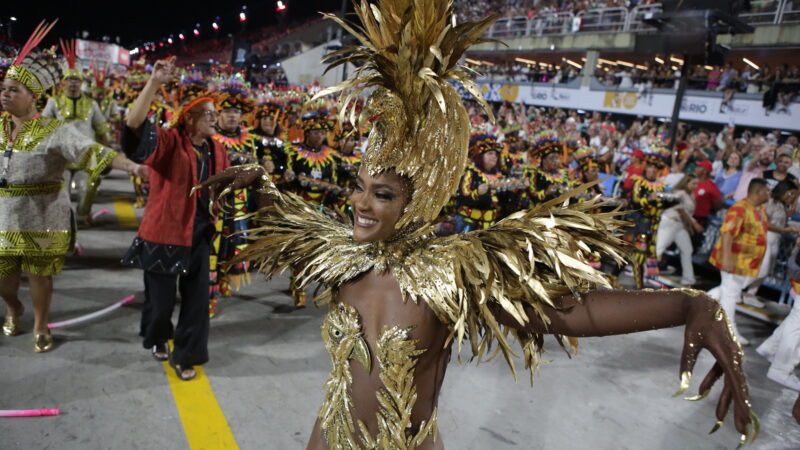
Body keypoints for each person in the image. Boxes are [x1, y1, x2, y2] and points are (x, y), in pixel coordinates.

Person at [197, 3, 756, 447]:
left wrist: (686, 305)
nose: (361, 203)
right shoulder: (342, 253)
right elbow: (292, 220)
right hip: (328, 438)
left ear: (418, 204)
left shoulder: (453, 273)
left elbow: (570, 313)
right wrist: (258, 182)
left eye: (383, 194)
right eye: (360, 186)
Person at [0, 22, 146, 352]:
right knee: (4, 278)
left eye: (14, 90)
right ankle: (13, 306)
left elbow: (92, 150)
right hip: (4, 213)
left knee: (39, 274)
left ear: (33, 97)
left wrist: (132, 166)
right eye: (3, 88)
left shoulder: (55, 130)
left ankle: (40, 324)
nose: (5, 94)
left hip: (43, 213)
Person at [120, 59, 229, 381]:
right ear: (189, 118)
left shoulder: (218, 150)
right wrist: (153, 83)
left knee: (197, 303)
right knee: (160, 303)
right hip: (163, 234)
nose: (214, 118)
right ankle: (157, 337)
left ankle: (186, 355)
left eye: (214, 113)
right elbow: (134, 125)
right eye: (207, 114)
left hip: (200, 235)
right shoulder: (169, 142)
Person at [41, 39, 114, 225]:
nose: (73, 83)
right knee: (60, 192)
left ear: (81, 82)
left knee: (90, 186)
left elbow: (101, 130)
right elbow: (42, 128)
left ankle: (83, 215)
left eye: (76, 80)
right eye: (69, 79)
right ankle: (64, 219)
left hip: (86, 153)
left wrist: (106, 154)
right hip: (61, 154)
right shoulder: (54, 102)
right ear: (63, 82)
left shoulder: (91, 104)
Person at [209, 77, 257, 315]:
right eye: (227, 111)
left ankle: (224, 279)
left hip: (239, 203)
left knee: (233, 244)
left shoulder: (248, 139)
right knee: (212, 247)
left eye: (236, 112)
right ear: (218, 114)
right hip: (214, 201)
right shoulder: (210, 137)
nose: (232, 116)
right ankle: (208, 295)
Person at [708, 178, 771, 346]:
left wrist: (783, 229)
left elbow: (761, 227)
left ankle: (696, 306)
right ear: (759, 192)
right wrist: (727, 259)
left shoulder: (760, 209)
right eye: (767, 191)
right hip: (734, 260)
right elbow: (727, 233)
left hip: (746, 262)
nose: (769, 194)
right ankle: (728, 332)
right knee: (731, 294)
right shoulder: (740, 209)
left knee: (727, 290)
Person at [627, 142, 673, 290]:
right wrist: (648, 199)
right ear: (646, 167)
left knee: (646, 255)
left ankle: (640, 285)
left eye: (656, 168)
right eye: (650, 167)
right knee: (638, 255)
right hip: (640, 224)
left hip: (653, 226)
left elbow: (663, 204)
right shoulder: (639, 182)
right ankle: (639, 287)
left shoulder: (661, 186)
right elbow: (635, 202)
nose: (652, 170)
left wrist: (667, 201)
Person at [744, 180, 800, 301]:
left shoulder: (782, 206)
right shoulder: (770, 202)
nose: (793, 198)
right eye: (792, 194)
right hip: (765, 238)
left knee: (767, 270)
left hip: (775, 240)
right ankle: (738, 288)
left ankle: (750, 294)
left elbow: (780, 223)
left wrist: (791, 228)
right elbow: (763, 222)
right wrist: (783, 229)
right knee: (762, 269)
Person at [656, 175, 703, 286]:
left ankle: (688, 279)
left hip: (680, 226)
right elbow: (680, 210)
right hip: (670, 222)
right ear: (686, 183)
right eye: (693, 183)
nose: (695, 186)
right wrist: (693, 224)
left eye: (697, 184)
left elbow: (688, 213)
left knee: (687, 250)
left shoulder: (691, 195)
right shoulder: (680, 193)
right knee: (659, 247)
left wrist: (688, 226)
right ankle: (645, 270)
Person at [693, 159, 722, 231]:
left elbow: (717, 205)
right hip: (688, 215)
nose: (696, 168)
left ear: (705, 171)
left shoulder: (711, 186)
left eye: (699, 167)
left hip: (699, 218)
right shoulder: (692, 181)